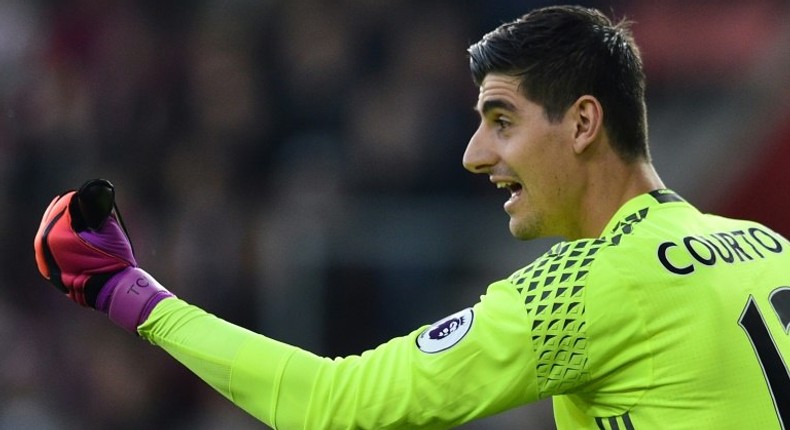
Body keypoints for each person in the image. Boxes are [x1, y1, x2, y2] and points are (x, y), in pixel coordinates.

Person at [34, 5, 790, 429]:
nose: (472, 153)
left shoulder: (584, 289)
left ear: (584, 124)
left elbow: (335, 405)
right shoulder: (766, 248)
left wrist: (132, 296)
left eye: (501, 119)